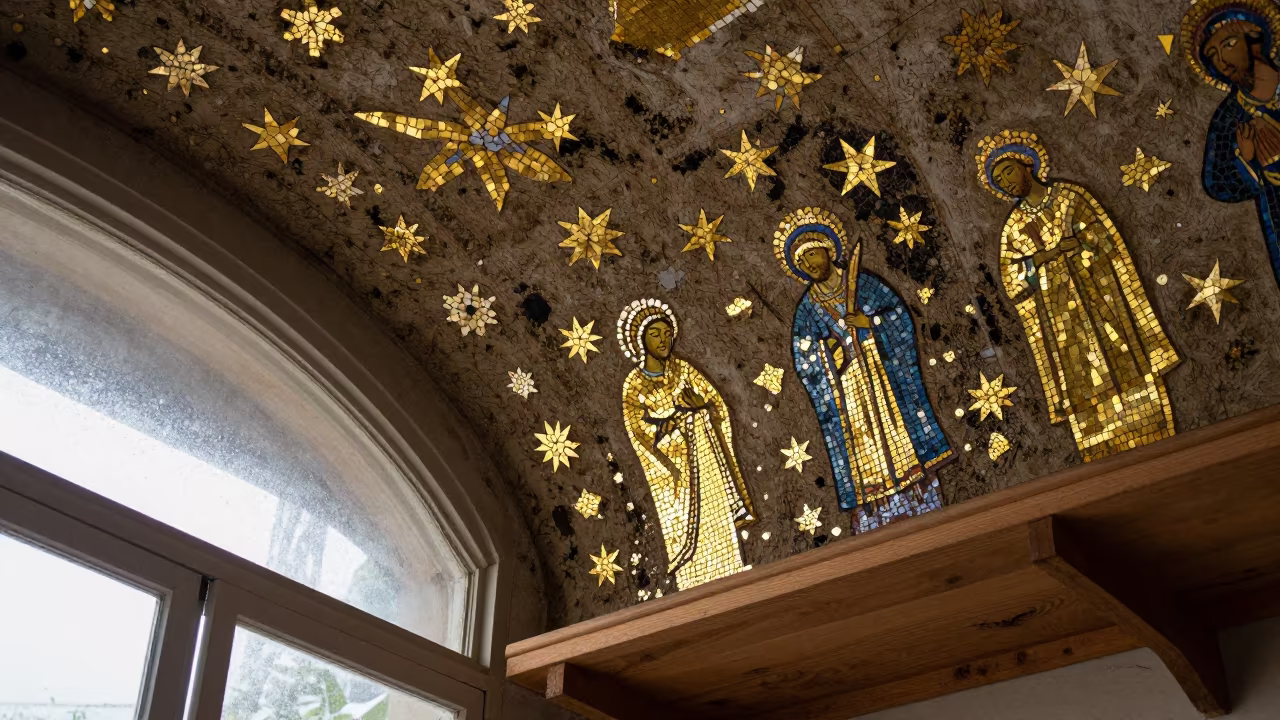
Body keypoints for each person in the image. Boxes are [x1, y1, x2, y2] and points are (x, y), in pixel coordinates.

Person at [975, 130, 1180, 461]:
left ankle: (1156, 439)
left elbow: (1107, 240)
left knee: (1126, 369)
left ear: (1027, 165)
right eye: (999, 181)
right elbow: (1013, 282)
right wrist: (1043, 257)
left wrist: (1083, 249)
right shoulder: (1013, 227)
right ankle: (1101, 455)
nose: (1007, 183)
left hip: (1102, 303)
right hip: (1062, 325)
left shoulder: (1070, 198)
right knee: (1084, 388)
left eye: (1008, 171)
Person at [776, 207, 951, 534]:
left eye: (813, 255)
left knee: (897, 431)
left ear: (829, 252)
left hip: (882, 375)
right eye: (803, 263)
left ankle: (918, 494)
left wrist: (872, 323)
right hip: (847, 388)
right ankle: (878, 509)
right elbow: (806, 361)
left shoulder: (863, 284)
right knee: (861, 452)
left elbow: (898, 315)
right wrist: (826, 355)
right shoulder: (806, 311)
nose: (811, 264)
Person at [618, 298, 755, 590]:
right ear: (641, 341)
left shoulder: (684, 370)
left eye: (667, 334)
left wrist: (702, 409)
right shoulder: (634, 384)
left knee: (716, 519)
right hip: (675, 473)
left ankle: (728, 561)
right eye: (655, 334)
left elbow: (715, 407)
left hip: (706, 460)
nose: (663, 340)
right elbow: (640, 432)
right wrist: (674, 425)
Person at [1182, 0, 1280, 289]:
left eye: (1226, 44)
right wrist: (1246, 161)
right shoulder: (1228, 118)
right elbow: (1217, 182)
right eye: (1211, 55)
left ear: (1254, 36)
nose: (1220, 61)